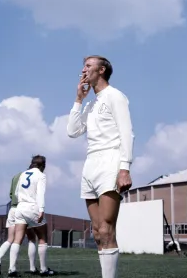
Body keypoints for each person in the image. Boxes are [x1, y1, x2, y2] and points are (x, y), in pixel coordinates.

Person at [67, 55, 135, 278]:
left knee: (107, 229)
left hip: (110, 162)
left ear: (102, 70)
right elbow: (73, 131)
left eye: (88, 66)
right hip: (90, 165)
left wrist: (124, 168)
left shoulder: (115, 96)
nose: (83, 70)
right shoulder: (91, 103)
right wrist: (78, 99)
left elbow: (127, 133)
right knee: (96, 233)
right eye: (83, 66)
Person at [7, 155, 55, 277]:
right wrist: (42, 209)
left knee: (17, 239)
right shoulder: (41, 175)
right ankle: (43, 269)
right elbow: (40, 194)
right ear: (42, 165)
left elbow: (17, 192)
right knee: (43, 237)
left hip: (20, 207)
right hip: (33, 207)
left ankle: (11, 269)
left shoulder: (23, 174)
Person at [0, 172, 38, 275]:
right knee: (31, 238)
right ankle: (32, 268)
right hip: (24, 209)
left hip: (13, 209)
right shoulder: (35, 176)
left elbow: (11, 194)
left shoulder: (16, 176)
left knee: (10, 239)